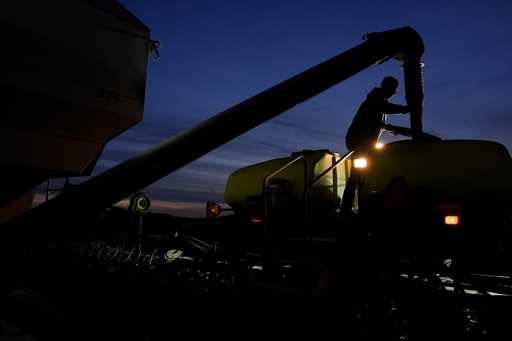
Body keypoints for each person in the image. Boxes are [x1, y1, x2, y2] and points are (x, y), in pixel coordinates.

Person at [340, 76, 410, 214]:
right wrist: (407, 108)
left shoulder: (379, 102)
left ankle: (357, 208)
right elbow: (386, 108)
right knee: (356, 177)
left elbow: (381, 124)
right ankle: (346, 209)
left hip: (365, 146)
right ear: (386, 86)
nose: (395, 92)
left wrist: (397, 130)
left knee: (362, 177)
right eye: (394, 89)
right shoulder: (375, 99)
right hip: (358, 144)